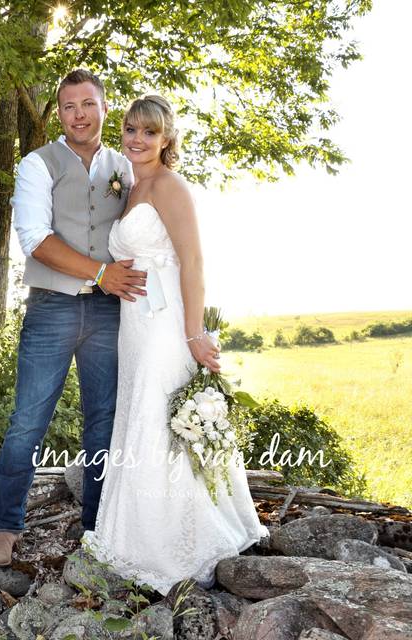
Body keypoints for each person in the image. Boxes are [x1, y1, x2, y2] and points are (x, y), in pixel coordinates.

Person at [81, 95, 268, 594]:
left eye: (148, 132)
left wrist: (194, 332)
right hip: (134, 326)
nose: (137, 140)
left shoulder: (169, 186)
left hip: (166, 327)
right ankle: (135, 535)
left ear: (166, 139)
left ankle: (182, 545)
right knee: (139, 416)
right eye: (130, 130)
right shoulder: (132, 186)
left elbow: (193, 262)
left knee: (160, 420)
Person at [0, 69, 148, 567]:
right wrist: (101, 272)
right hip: (53, 306)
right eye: (69, 106)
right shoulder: (38, 164)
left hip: (109, 310)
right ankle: (5, 526)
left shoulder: (127, 165)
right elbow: (34, 238)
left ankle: (97, 525)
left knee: (104, 421)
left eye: (88, 104)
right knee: (28, 420)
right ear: (59, 113)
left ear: (103, 107)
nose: (79, 114)